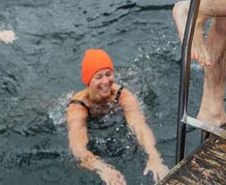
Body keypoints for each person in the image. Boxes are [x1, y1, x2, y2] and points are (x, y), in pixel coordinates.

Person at [67, 49, 169, 184]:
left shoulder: (122, 94)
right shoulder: (78, 106)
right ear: (88, 81)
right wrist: (103, 169)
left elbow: (139, 126)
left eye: (108, 74)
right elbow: (77, 147)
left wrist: (154, 156)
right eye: (98, 77)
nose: (105, 81)